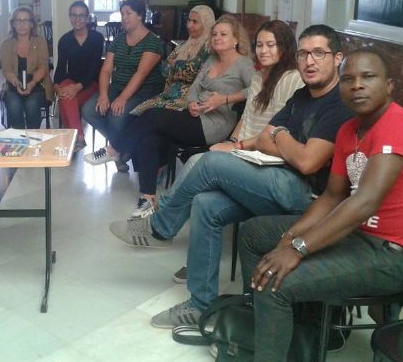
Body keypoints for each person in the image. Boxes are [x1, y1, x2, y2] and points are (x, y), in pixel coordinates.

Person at [109, 24, 354, 328]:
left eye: (319, 53)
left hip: (307, 196)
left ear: (338, 58)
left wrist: (280, 136)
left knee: (210, 162)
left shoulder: (339, 104)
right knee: (206, 205)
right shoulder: (303, 96)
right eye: (304, 54)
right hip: (275, 176)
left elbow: (307, 163)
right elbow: (264, 138)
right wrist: (281, 139)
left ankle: (160, 228)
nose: (309, 61)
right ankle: (200, 305)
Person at [239, 49, 403, 362]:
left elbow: (365, 202)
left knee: (276, 283)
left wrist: (299, 248)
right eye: (348, 79)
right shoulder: (348, 130)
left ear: (389, 85)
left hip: (388, 254)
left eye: (368, 77)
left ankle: (274, 341)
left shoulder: (399, 124)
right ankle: (274, 332)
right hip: (354, 236)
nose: (357, 85)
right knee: (253, 233)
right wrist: (290, 237)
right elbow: (332, 197)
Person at [168, 19, 305, 281]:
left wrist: (237, 146)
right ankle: (192, 257)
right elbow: (247, 117)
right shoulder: (259, 77)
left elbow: (277, 131)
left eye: (271, 45)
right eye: (260, 45)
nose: (263, 51)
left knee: (199, 162)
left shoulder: (292, 79)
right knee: (203, 194)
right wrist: (232, 141)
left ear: (285, 47)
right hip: (245, 151)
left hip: (267, 159)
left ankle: (162, 225)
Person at [120, 15, 256, 217]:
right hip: (193, 115)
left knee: (151, 115)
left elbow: (256, 90)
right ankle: (147, 198)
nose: (217, 38)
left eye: (223, 34)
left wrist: (225, 99)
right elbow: (195, 87)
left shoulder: (243, 64)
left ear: (236, 39)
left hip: (215, 124)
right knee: (149, 137)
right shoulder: (212, 60)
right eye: (215, 34)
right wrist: (191, 102)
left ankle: (117, 148)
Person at [82, 0, 164, 169]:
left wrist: (122, 99)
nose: (124, 18)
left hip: (145, 91)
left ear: (140, 15)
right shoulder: (119, 39)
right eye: (122, 14)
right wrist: (103, 95)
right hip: (118, 86)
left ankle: (117, 150)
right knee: (89, 109)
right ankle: (122, 148)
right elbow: (106, 70)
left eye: (129, 13)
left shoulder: (153, 42)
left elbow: (141, 74)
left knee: (116, 115)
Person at [130, 5, 214, 115]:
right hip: (168, 95)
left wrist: (175, 65)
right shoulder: (183, 46)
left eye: (195, 22)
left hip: (188, 100)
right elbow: (164, 69)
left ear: (206, 24)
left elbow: (193, 72)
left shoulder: (209, 48)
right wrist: (181, 67)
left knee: (151, 116)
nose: (189, 25)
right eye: (189, 20)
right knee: (136, 113)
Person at [53, 1, 104, 152]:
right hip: (71, 82)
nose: (77, 19)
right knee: (65, 94)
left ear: (87, 17)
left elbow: (94, 69)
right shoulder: (65, 40)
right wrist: (57, 87)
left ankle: (72, 138)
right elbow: (60, 68)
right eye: (74, 15)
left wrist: (77, 87)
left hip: (92, 84)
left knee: (66, 99)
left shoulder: (97, 38)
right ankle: (79, 137)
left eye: (81, 15)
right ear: (69, 17)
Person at [0, 6, 50, 129]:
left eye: (26, 20)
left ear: (32, 24)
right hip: (13, 84)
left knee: (32, 105)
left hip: (36, 83)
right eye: (18, 20)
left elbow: (43, 66)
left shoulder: (40, 42)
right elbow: (6, 69)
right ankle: (19, 137)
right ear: (13, 24)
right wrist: (15, 82)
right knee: (14, 105)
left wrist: (32, 83)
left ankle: (33, 136)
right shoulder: (6, 44)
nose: (22, 24)